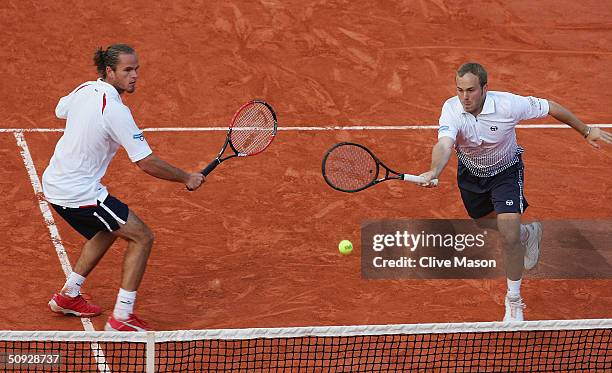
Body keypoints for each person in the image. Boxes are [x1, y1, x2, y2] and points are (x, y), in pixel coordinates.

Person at [419, 62, 612, 321]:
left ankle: (513, 299)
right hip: (471, 175)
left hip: (506, 173)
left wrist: (586, 131)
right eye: (460, 90)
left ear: (485, 88)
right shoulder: (451, 109)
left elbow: (550, 106)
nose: (465, 97)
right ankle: (528, 233)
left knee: (508, 234)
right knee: (483, 223)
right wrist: (434, 170)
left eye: (471, 90)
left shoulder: (509, 105)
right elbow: (444, 144)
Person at [43, 44, 205, 331]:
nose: (134, 76)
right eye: (128, 70)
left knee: (106, 230)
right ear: (110, 71)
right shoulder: (116, 111)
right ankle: (122, 317)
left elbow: (60, 109)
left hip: (56, 182)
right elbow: (146, 162)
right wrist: (186, 177)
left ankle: (68, 296)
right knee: (142, 236)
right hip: (78, 192)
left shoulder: (85, 89)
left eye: (136, 69)